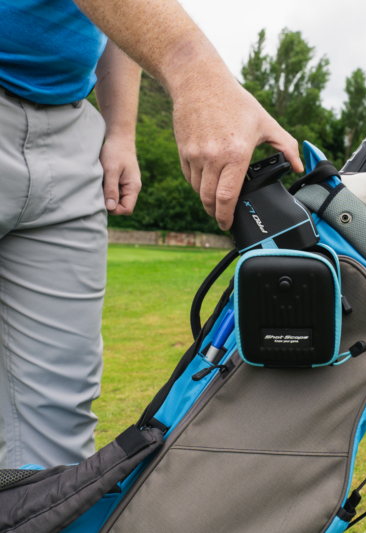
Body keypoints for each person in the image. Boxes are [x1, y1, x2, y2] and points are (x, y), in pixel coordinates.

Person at [0, 0, 303, 469]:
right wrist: (194, 71)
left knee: (55, 426)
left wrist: (120, 131)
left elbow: (107, 19)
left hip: (69, 125)